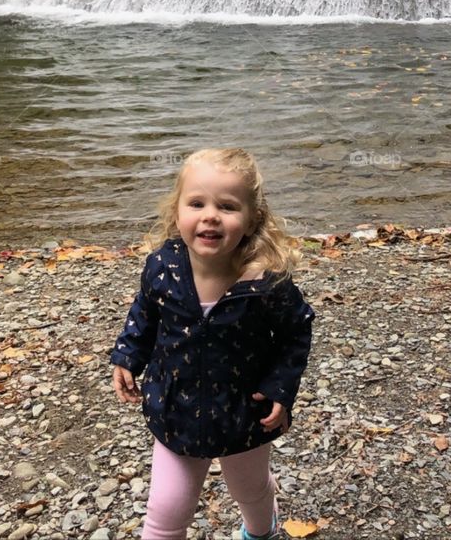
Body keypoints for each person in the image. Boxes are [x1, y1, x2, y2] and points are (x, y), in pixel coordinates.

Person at [111, 146, 316, 540]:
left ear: (252, 218)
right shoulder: (163, 267)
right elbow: (145, 314)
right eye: (197, 203)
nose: (210, 215)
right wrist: (128, 353)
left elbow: (296, 331)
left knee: (250, 490)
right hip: (176, 410)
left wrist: (280, 387)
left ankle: (260, 532)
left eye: (227, 206)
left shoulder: (264, 280)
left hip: (243, 412)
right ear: (177, 212)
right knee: (165, 509)